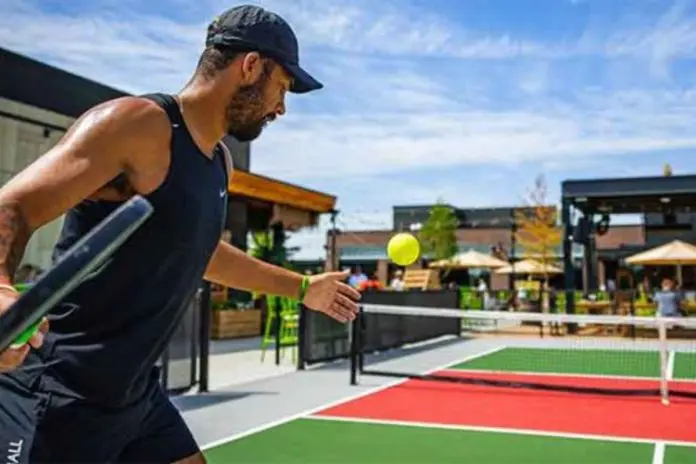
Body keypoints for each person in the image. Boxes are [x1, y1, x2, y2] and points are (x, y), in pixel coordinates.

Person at [0, 5, 360, 463]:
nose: (282, 108)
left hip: (135, 396)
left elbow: (205, 253)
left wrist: (303, 287)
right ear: (250, 66)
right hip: (60, 388)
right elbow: (13, 206)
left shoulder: (217, 162)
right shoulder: (138, 125)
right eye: (282, 88)